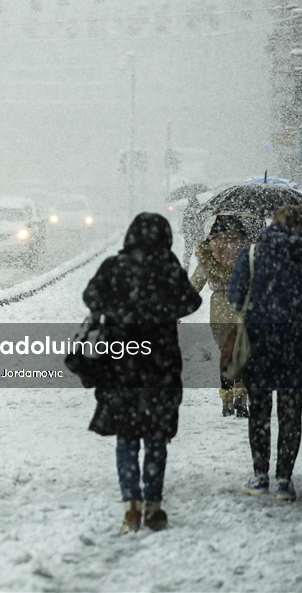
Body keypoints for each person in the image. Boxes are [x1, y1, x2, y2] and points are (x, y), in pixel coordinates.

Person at [82, 212, 201, 534]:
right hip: (160, 365)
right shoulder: (169, 268)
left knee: (127, 437)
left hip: (120, 364)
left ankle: (130, 509)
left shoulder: (113, 267)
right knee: (156, 437)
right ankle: (154, 507)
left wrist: (119, 309)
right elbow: (192, 302)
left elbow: (90, 297)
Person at [228, 205, 302, 502]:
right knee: (291, 415)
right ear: (301, 226)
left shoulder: (253, 254)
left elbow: (236, 297)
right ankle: (284, 481)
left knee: (260, 412)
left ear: (271, 225)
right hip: (300, 343)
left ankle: (260, 476)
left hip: (260, 342)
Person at [189, 215, 251, 417]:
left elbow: (193, 286)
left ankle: (226, 401)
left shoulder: (209, 254)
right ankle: (241, 395)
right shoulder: (247, 251)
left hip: (219, 310)